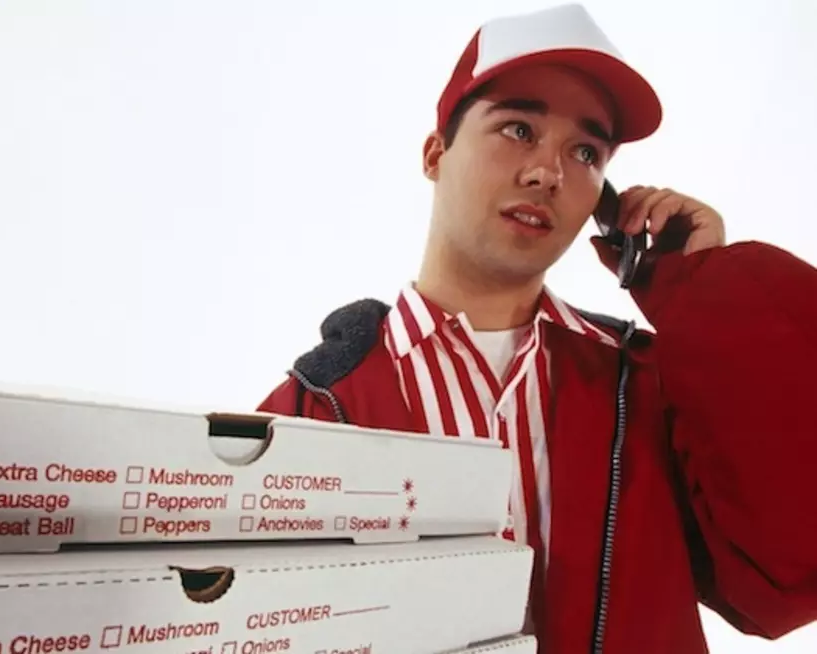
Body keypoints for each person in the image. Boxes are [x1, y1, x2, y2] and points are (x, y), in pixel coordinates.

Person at [256, 3, 817, 654]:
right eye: (518, 129)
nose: (548, 172)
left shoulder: (649, 385)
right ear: (435, 152)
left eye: (585, 151)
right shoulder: (306, 412)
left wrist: (703, 290)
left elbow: (786, 572)